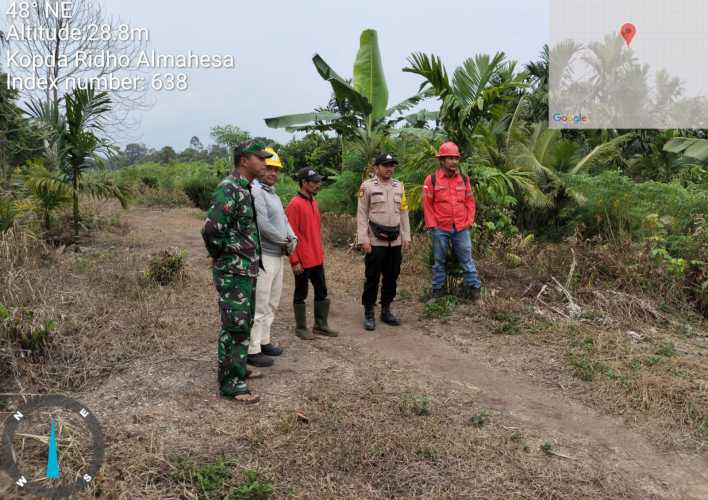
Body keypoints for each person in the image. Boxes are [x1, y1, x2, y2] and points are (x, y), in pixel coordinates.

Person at [202, 140, 272, 404]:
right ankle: (232, 384)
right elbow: (211, 228)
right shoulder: (229, 188)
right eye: (259, 157)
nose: (264, 162)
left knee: (244, 323)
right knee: (235, 325)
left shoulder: (244, 188)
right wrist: (221, 254)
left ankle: (237, 369)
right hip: (234, 269)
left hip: (245, 268)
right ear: (244, 160)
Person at [247, 148, 297, 368]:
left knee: (273, 301)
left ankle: (264, 340)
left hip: (278, 255)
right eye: (268, 168)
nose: (272, 173)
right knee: (260, 302)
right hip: (264, 255)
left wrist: (292, 237)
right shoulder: (256, 191)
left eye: (276, 169)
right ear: (260, 168)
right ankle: (252, 348)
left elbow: (284, 220)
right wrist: (284, 241)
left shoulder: (273, 194)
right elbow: (263, 225)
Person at [356, 153, 411, 331]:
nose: (389, 168)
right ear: (376, 167)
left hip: (394, 241)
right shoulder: (367, 186)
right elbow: (362, 214)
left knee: (392, 276)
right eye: (385, 165)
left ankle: (386, 309)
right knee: (372, 277)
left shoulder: (399, 186)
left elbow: (403, 213)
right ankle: (369, 312)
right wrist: (363, 239)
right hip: (375, 240)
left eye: (392, 165)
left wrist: (406, 235)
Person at [422, 141, 482, 302]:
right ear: (441, 161)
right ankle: (437, 292)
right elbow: (427, 205)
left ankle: (475, 293)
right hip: (440, 228)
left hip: (461, 227)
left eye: (456, 158)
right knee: (439, 261)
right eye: (450, 158)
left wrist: (469, 220)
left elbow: (470, 201)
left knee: (467, 260)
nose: (454, 162)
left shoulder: (464, 179)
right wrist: (433, 226)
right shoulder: (431, 180)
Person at [285, 167, 338, 340]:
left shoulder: (313, 202)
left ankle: (320, 325)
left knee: (322, 291)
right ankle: (301, 327)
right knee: (301, 293)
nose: (318, 185)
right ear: (303, 183)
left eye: (318, 181)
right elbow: (289, 235)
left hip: (316, 257)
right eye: (314, 182)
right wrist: (294, 260)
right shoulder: (294, 205)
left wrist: (321, 253)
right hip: (302, 259)